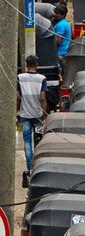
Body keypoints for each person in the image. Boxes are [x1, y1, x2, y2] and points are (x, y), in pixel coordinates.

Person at [17, 55, 48, 183]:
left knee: (27, 142)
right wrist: (44, 114)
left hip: (24, 115)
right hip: (37, 114)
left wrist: (16, 112)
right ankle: (38, 166)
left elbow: (18, 97)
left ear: (26, 64)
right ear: (37, 65)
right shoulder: (42, 79)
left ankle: (29, 169)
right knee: (39, 141)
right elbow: (42, 98)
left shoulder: (20, 78)